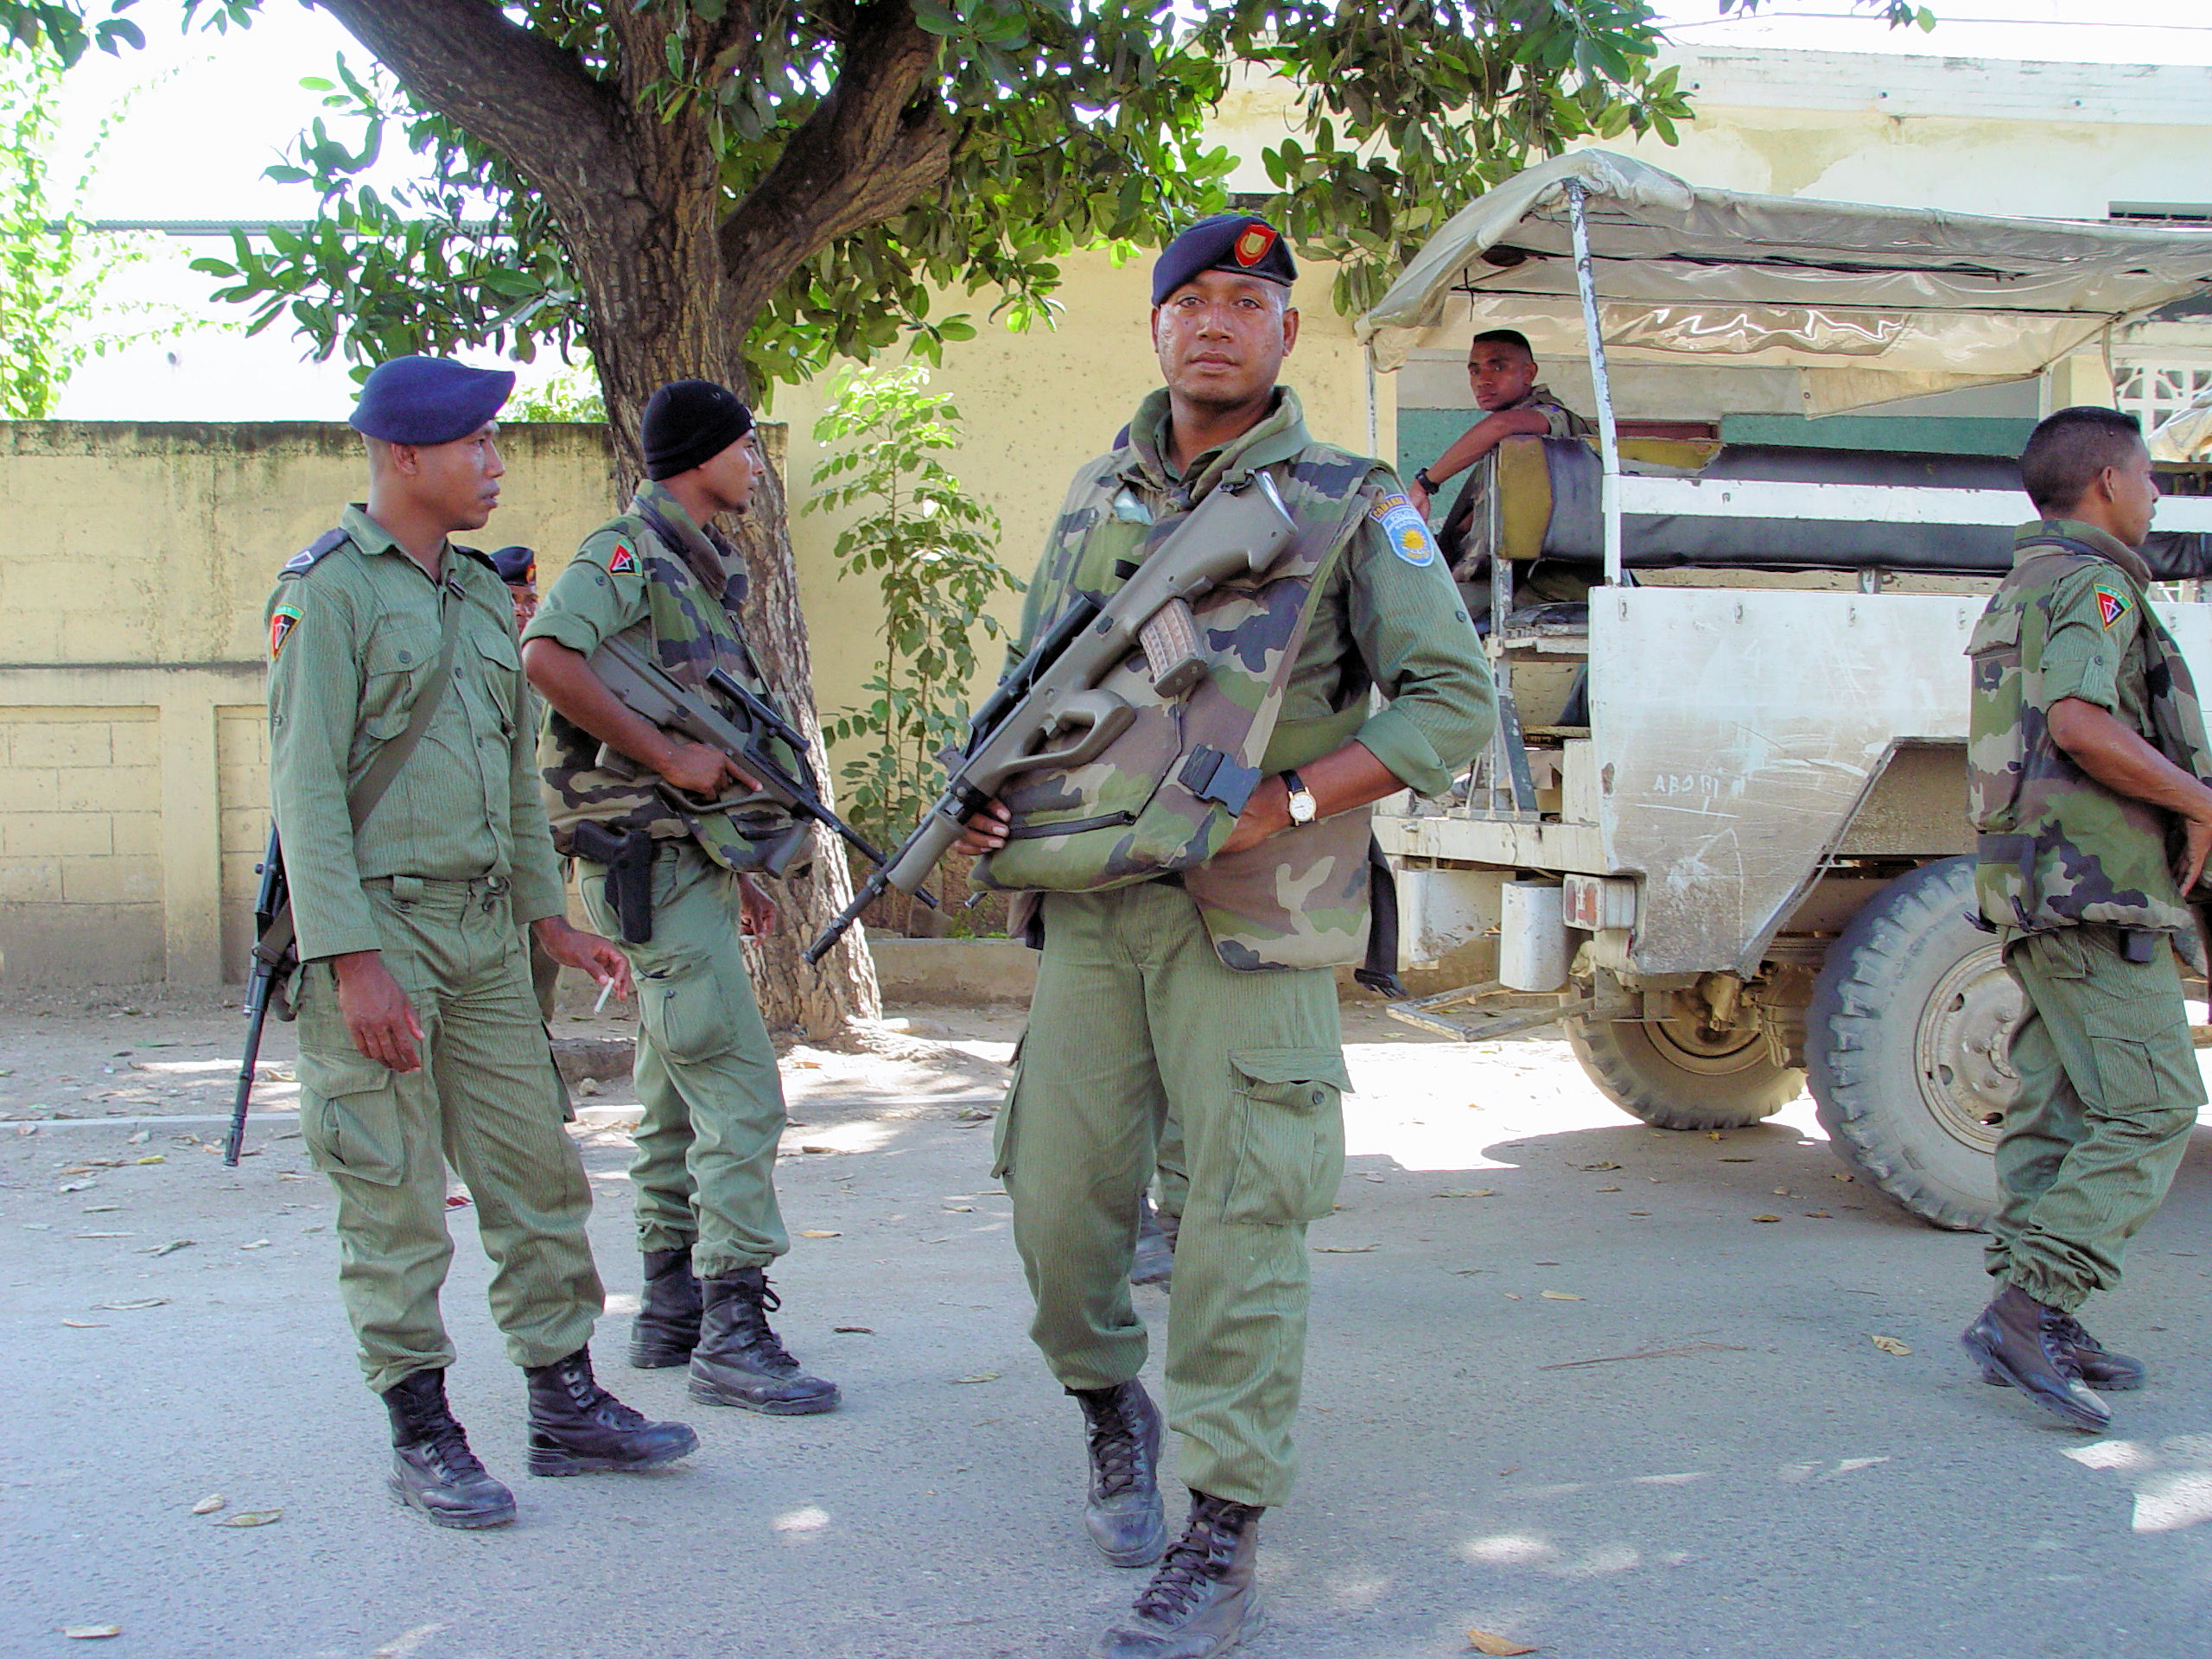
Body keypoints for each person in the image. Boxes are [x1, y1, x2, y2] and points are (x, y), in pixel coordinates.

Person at [954, 213, 1494, 1658]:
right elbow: (1031, 681)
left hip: (1255, 925)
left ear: (1284, 336)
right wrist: (980, 797)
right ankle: (1104, 1403)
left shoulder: (1353, 499)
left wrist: (1296, 793)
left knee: (1242, 1223)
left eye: (1245, 302)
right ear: (1155, 329)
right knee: (1058, 1214)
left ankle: (1224, 1526)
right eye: (1189, 299)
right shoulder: (1095, 491)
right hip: (1091, 913)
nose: (1214, 322)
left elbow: (1453, 704)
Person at [265, 354, 696, 1532]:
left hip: (485, 937)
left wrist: (548, 914)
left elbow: (512, 777)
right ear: (406, 456)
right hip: (378, 931)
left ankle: (564, 1405)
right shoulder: (329, 592)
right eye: (476, 445)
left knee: (536, 1175)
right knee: (394, 1197)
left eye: (497, 444)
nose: (496, 465)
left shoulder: (469, 594)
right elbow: (304, 792)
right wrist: (352, 959)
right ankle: (423, 1433)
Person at [520, 378, 839, 1416]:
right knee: (739, 1088)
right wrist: (663, 753)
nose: (756, 463)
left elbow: (712, 740)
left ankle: (671, 1310)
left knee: (670, 1086)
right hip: (640, 859)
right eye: (744, 446)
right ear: (699, 454)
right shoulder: (628, 554)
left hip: (680, 860)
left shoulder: (701, 574)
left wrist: (740, 864)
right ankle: (736, 1333)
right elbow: (548, 654)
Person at [1962, 404, 2212, 1433]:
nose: (2157, 497)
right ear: (2107, 481)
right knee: (2153, 1105)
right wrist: (2200, 801)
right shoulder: (2097, 583)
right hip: (2091, 888)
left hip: (2036, 887)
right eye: (2150, 478)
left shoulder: (2021, 585)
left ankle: (2033, 1324)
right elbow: (2076, 720)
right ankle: (2027, 1310)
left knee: (2059, 1110)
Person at [1406, 328, 1595, 608]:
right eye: (1475, 371)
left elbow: (1500, 425)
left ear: (1529, 373)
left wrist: (1425, 483)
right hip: (1504, 577)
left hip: (1548, 583)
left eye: (1498, 366)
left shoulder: (1554, 419)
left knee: (1415, 611)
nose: (1483, 380)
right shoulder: (1506, 449)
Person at [491, 544, 564, 1020]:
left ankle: (540, 1040)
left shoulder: (547, 673)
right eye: (511, 598)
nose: (522, 610)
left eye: (529, 600)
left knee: (544, 959)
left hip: (544, 843)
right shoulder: (479, 668)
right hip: (494, 845)